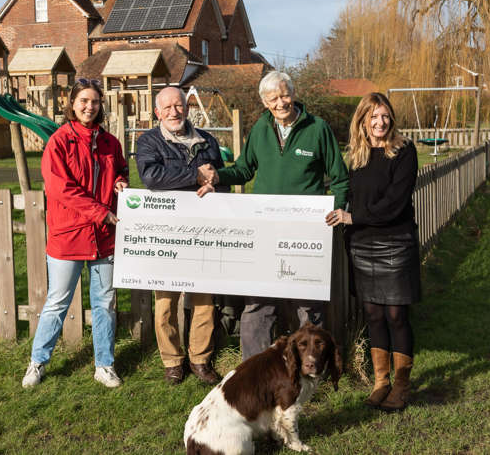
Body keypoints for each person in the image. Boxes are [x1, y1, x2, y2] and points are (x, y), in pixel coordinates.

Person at [197, 71, 349, 361]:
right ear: (265, 102)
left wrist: (338, 208)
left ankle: (312, 368)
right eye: (273, 98)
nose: (281, 103)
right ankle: (254, 368)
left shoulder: (317, 129)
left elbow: (339, 177)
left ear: (293, 93)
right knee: (258, 302)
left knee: (309, 304)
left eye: (284, 95)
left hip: (306, 231)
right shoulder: (260, 130)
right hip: (265, 229)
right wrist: (218, 177)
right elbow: (244, 169)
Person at [22, 79, 128, 389]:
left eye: (94, 101)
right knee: (57, 302)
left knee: (105, 303)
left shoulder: (111, 143)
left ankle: (104, 365)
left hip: (104, 238)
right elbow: (61, 189)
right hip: (69, 236)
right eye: (83, 101)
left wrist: (121, 181)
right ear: (72, 104)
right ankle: (37, 363)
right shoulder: (59, 142)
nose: (89, 106)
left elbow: (120, 169)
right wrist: (100, 212)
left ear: (100, 105)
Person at [325, 92, 420, 411]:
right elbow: (343, 190)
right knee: (373, 314)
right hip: (361, 243)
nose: (380, 122)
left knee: (396, 313)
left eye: (385, 116)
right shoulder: (354, 155)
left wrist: (354, 217)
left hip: (395, 241)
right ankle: (382, 382)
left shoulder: (404, 151)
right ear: (362, 120)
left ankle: (402, 385)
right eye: (374, 117)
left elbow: (395, 202)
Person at [135, 86, 225, 385]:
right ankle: (172, 361)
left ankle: (200, 359)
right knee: (165, 302)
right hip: (167, 232)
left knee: (204, 300)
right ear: (157, 112)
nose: (175, 112)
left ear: (187, 108)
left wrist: (213, 183)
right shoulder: (148, 142)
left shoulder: (207, 141)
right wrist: (195, 176)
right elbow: (152, 178)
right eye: (168, 107)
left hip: (203, 230)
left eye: (179, 105)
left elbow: (219, 177)